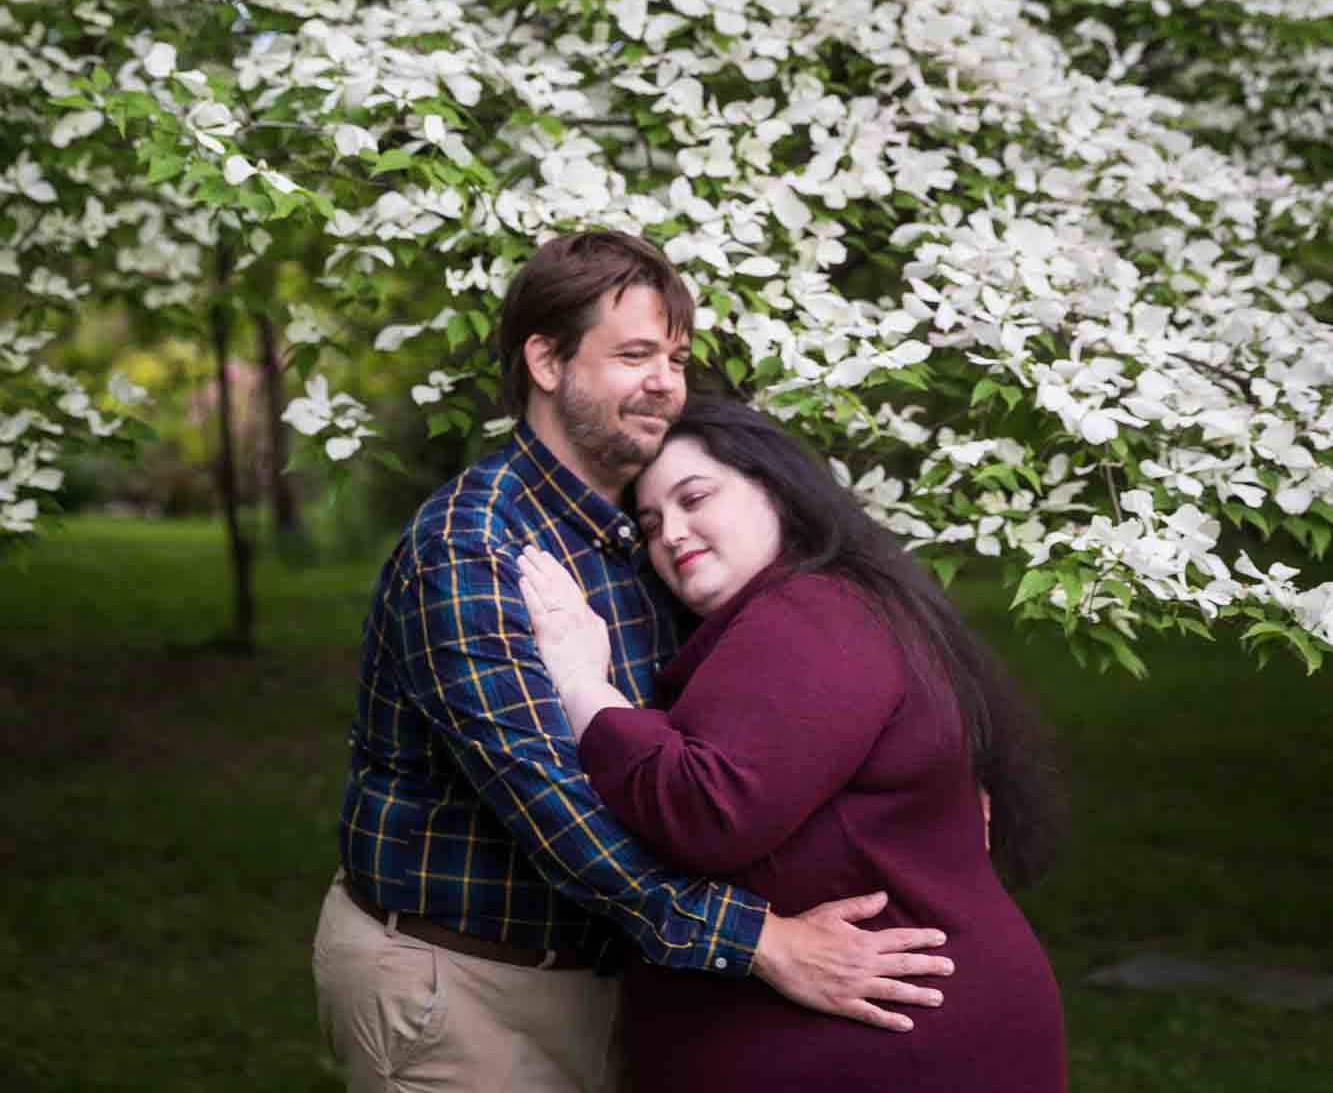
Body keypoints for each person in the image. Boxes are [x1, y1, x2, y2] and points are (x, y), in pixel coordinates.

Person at [312, 230, 955, 1093]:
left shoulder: (655, 535)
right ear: (545, 361)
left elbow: (755, 732)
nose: (666, 382)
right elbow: (547, 798)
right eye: (635, 354)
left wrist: (938, 782)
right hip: (464, 979)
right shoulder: (473, 547)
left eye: (676, 357)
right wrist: (759, 940)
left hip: (627, 970)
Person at [519, 394, 1068, 1093]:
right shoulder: (828, 607)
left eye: (695, 498)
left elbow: (707, 811)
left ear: (773, 488)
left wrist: (579, 684)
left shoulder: (809, 613)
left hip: (897, 1042)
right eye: (651, 522)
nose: (671, 533)